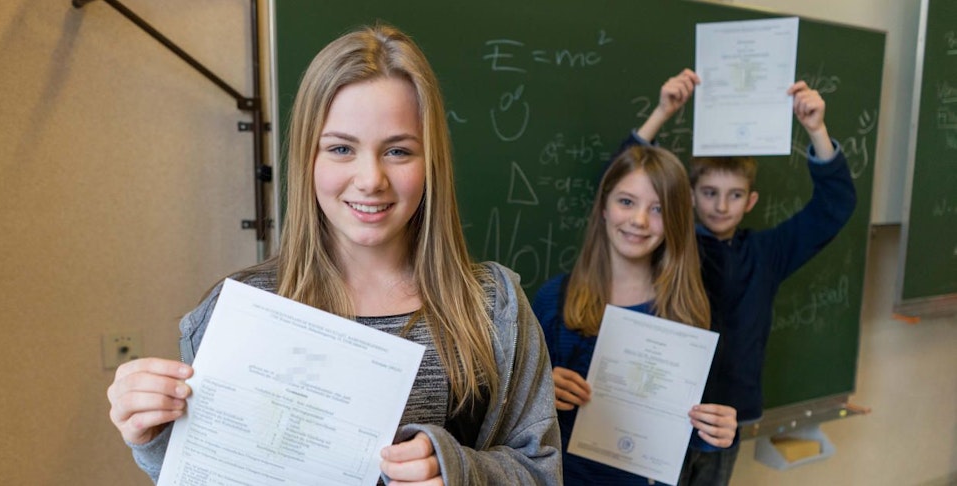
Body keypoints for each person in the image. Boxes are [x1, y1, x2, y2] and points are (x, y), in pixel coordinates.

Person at [106, 24, 561, 485]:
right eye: (341, 148)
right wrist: (153, 434)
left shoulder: (492, 307)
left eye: (399, 151)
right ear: (309, 158)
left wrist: (456, 471)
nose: (370, 179)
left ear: (432, 162)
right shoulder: (240, 310)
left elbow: (541, 471)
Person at [620, 69, 858, 485]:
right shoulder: (670, 244)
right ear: (691, 196)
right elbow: (619, 183)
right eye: (710, 193)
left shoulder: (768, 252)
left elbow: (834, 207)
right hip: (663, 412)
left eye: (734, 196)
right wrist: (661, 113)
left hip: (728, 417)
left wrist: (816, 129)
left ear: (751, 201)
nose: (721, 206)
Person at [532, 143, 738, 485]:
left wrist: (716, 431)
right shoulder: (554, 299)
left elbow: (686, 426)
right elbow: (512, 418)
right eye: (626, 202)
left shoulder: (689, 313)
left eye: (658, 209)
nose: (639, 220)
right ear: (604, 207)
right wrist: (537, 394)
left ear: (674, 220)